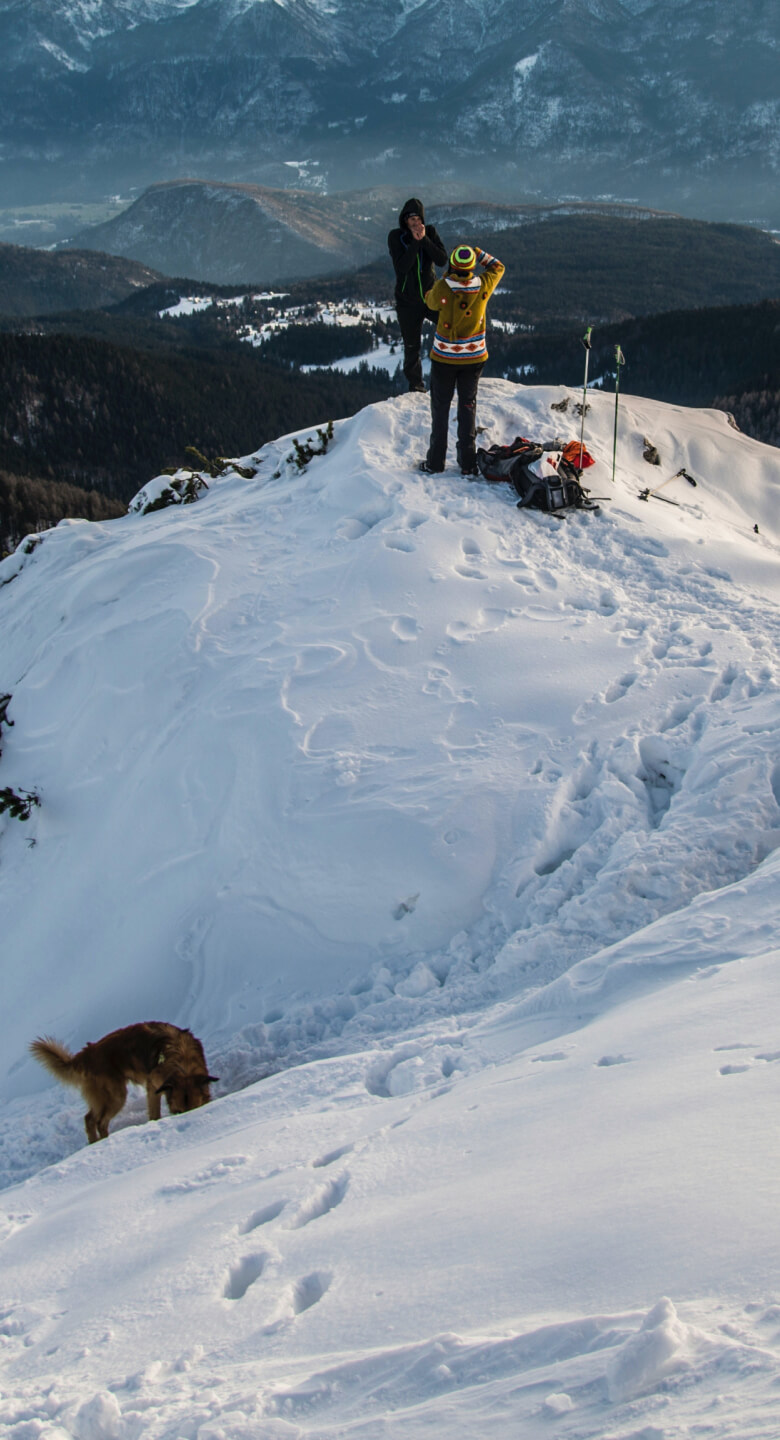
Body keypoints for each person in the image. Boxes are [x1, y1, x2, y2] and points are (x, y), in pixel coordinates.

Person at [420, 244, 505, 475]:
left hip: (444, 357)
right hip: (474, 357)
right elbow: (498, 266)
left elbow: (429, 302)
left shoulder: (442, 287)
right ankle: (467, 463)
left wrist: (446, 276)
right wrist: (478, 253)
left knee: (440, 407)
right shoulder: (483, 285)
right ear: (471, 267)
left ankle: (435, 463)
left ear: (452, 266)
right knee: (468, 406)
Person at [387, 198, 448, 393]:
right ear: (404, 220)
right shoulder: (396, 237)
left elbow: (441, 260)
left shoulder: (430, 232)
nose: (414, 222)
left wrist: (425, 240)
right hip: (407, 302)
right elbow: (402, 267)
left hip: (431, 296)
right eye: (410, 219)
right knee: (412, 345)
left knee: (450, 327)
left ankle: (451, 376)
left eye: (417, 218)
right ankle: (416, 386)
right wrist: (414, 242)